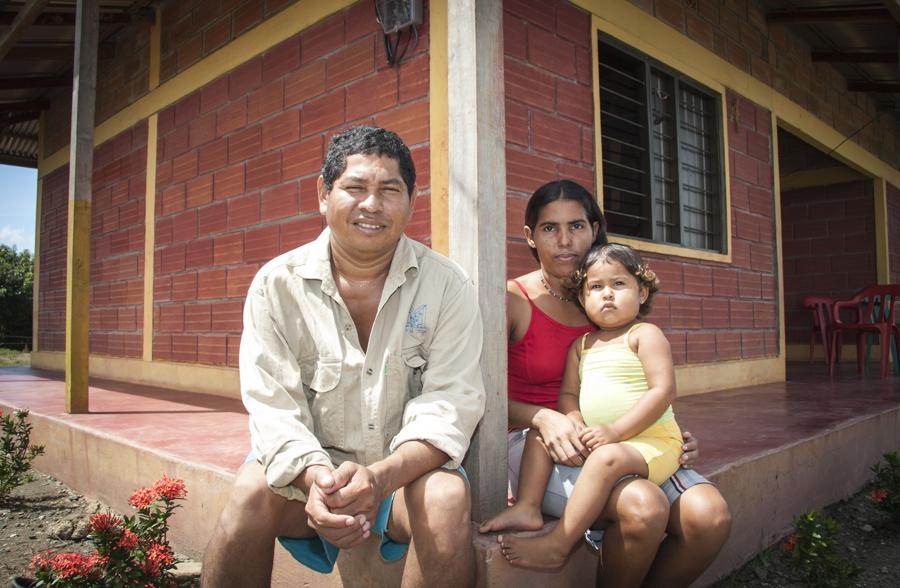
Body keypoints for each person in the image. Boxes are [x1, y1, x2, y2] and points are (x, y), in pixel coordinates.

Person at [201, 126, 486, 588]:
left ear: (411, 201)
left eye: (390, 190)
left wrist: (378, 479)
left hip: (401, 478)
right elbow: (273, 408)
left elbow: (451, 403)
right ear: (323, 193)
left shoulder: (447, 286)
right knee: (250, 492)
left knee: (446, 499)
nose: (372, 205)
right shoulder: (277, 285)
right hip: (312, 478)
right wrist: (317, 480)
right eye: (355, 188)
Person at [479, 180, 731, 587]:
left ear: (595, 229)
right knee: (644, 506)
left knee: (710, 517)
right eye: (549, 228)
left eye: (576, 226)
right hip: (536, 445)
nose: (565, 241)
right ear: (530, 236)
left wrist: (663, 430)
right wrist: (544, 417)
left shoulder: (610, 298)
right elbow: (477, 394)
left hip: (618, 441)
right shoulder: (512, 299)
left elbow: (643, 383)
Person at [488, 243, 684, 570]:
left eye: (618, 284)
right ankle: (528, 506)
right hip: (604, 441)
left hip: (648, 442)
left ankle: (559, 544)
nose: (607, 294)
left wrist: (614, 431)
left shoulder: (645, 335)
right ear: (582, 298)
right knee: (541, 435)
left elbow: (663, 390)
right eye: (596, 287)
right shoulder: (582, 345)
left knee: (607, 457)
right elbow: (567, 394)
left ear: (643, 292)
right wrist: (574, 420)